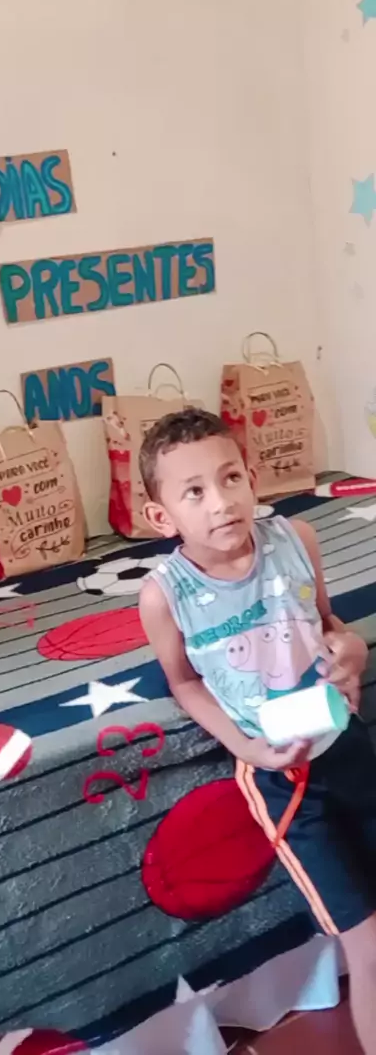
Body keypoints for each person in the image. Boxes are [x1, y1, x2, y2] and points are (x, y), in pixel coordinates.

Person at [138, 406, 376, 1054]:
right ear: (162, 516)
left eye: (230, 478)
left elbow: (326, 623)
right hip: (285, 783)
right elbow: (184, 682)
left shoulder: (298, 540)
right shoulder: (164, 595)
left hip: (348, 746)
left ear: (252, 479)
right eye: (194, 492)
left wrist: (353, 649)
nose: (221, 502)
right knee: (367, 942)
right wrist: (245, 746)